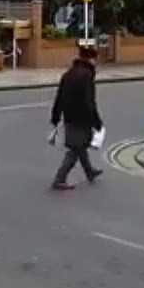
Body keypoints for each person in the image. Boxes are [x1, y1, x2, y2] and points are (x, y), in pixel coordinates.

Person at [50, 46, 104, 190]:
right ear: (91, 59)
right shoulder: (87, 75)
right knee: (75, 149)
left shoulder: (68, 74)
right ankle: (59, 179)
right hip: (82, 118)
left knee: (80, 146)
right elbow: (89, 101)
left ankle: (89, 172)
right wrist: (96, 121)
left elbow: (59, 97)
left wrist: (55, 116)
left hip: (69, 117)